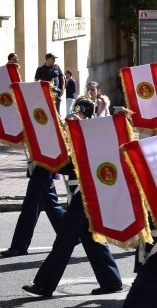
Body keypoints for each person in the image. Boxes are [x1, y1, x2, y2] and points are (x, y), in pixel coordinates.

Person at [21, 99, 123, 297]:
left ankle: (44, 284)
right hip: (85, 193)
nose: (76, 117)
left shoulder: (90, 134)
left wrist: (53, 161)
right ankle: (110, 279)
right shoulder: (90, 133)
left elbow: (75, 165)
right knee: (90, 237)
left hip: (86, 194)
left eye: (79, 114)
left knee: (65, 238)